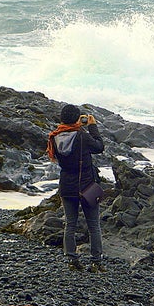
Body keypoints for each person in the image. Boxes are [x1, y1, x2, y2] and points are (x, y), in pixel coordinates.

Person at [46, 104, 106, 272]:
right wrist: (92, 126)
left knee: (70, 224)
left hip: (67, 186)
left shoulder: (54, 138)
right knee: (94, 225)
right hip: (87, 184)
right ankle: (96, 262)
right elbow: (99, 147)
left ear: (61, 119)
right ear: (77, 119)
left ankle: (72, 260)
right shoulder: (82, 136)